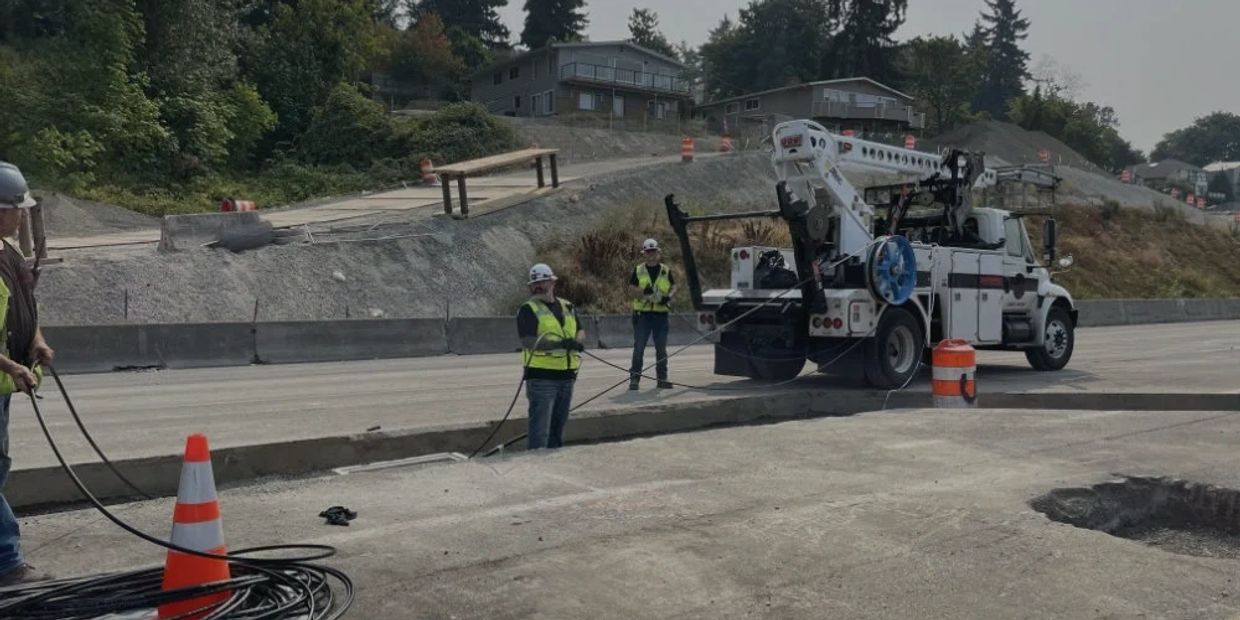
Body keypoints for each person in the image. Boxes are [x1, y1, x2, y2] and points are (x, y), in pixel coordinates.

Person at [0, 162, 54, 586]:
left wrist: (36, 341)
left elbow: (23, 305)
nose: (21, 215)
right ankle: (7, 561)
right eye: (18, 208)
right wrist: (12, 366)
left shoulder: (9, 252)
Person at [515, 263, 585, 450]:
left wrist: (576, 342)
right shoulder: (528, 309)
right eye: (534, 283)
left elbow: (580, 330)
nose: (537, 286)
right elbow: (529, 341)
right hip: (541, 378)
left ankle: (553, 465)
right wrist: (561, 344)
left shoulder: (567, 306)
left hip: (566, 377)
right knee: (540, 432)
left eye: (542, 282)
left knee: (557, 430)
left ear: (552, 282)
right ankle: (536, 469)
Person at [628, 238, 676, 390]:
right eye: (648, 252)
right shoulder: (638, 270)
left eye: (654, 251)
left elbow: (674, 286)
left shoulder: (665, 270)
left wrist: (669, 297)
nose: (651, 254)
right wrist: (643, 292)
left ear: (658, 252)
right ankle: (634, 379)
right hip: (643, 315)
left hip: (661, 315)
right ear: (644, 254)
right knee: (639, 348)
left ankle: (662, 378)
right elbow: (630, 290)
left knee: (661, 348)